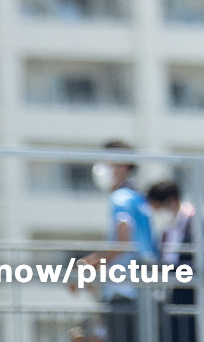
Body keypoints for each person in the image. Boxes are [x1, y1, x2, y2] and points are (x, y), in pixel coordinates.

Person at [65, 141, 156, 342]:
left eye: (106, 164)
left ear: (122, 167)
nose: (100, 169)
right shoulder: (138, 198)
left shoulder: (121, 199)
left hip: (124, 292)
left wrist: (86, 266)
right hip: (144, 291)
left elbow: (123, 245)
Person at [148, 178, 203, 342]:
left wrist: (171, 270)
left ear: (171, 201)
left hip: (192, 297)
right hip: (171, 297)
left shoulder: (198, 223)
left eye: (158, 207)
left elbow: (200, 262)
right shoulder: (167, 229)